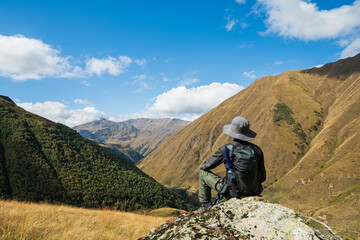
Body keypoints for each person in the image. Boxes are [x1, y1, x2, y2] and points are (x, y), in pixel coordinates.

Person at [198, 116, 266, 213]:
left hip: (231, 192)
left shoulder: (226, 149)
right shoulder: (257, 150)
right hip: (253, 191)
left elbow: (205, 166)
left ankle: (206, 206)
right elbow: (262, 177)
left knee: (202, 173)